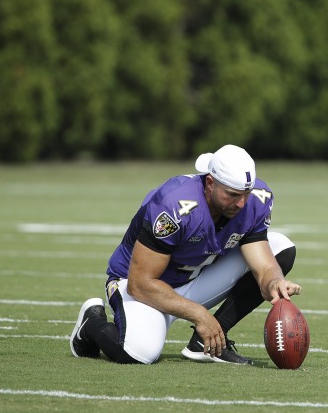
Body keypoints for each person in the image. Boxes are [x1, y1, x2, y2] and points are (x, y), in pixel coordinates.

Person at [70, 144, 301, 364]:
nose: (241, 203)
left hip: (193, 278)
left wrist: (273, 282)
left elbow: (263, 263)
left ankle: (207, 343)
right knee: (139, 352)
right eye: (232, 194)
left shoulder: (255, 200)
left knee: (280, 247)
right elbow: (140, 284)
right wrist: (200, 315)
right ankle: (91, 324)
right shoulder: (173, 205)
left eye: (246, 194)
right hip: (142, 286)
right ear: (210, 183)